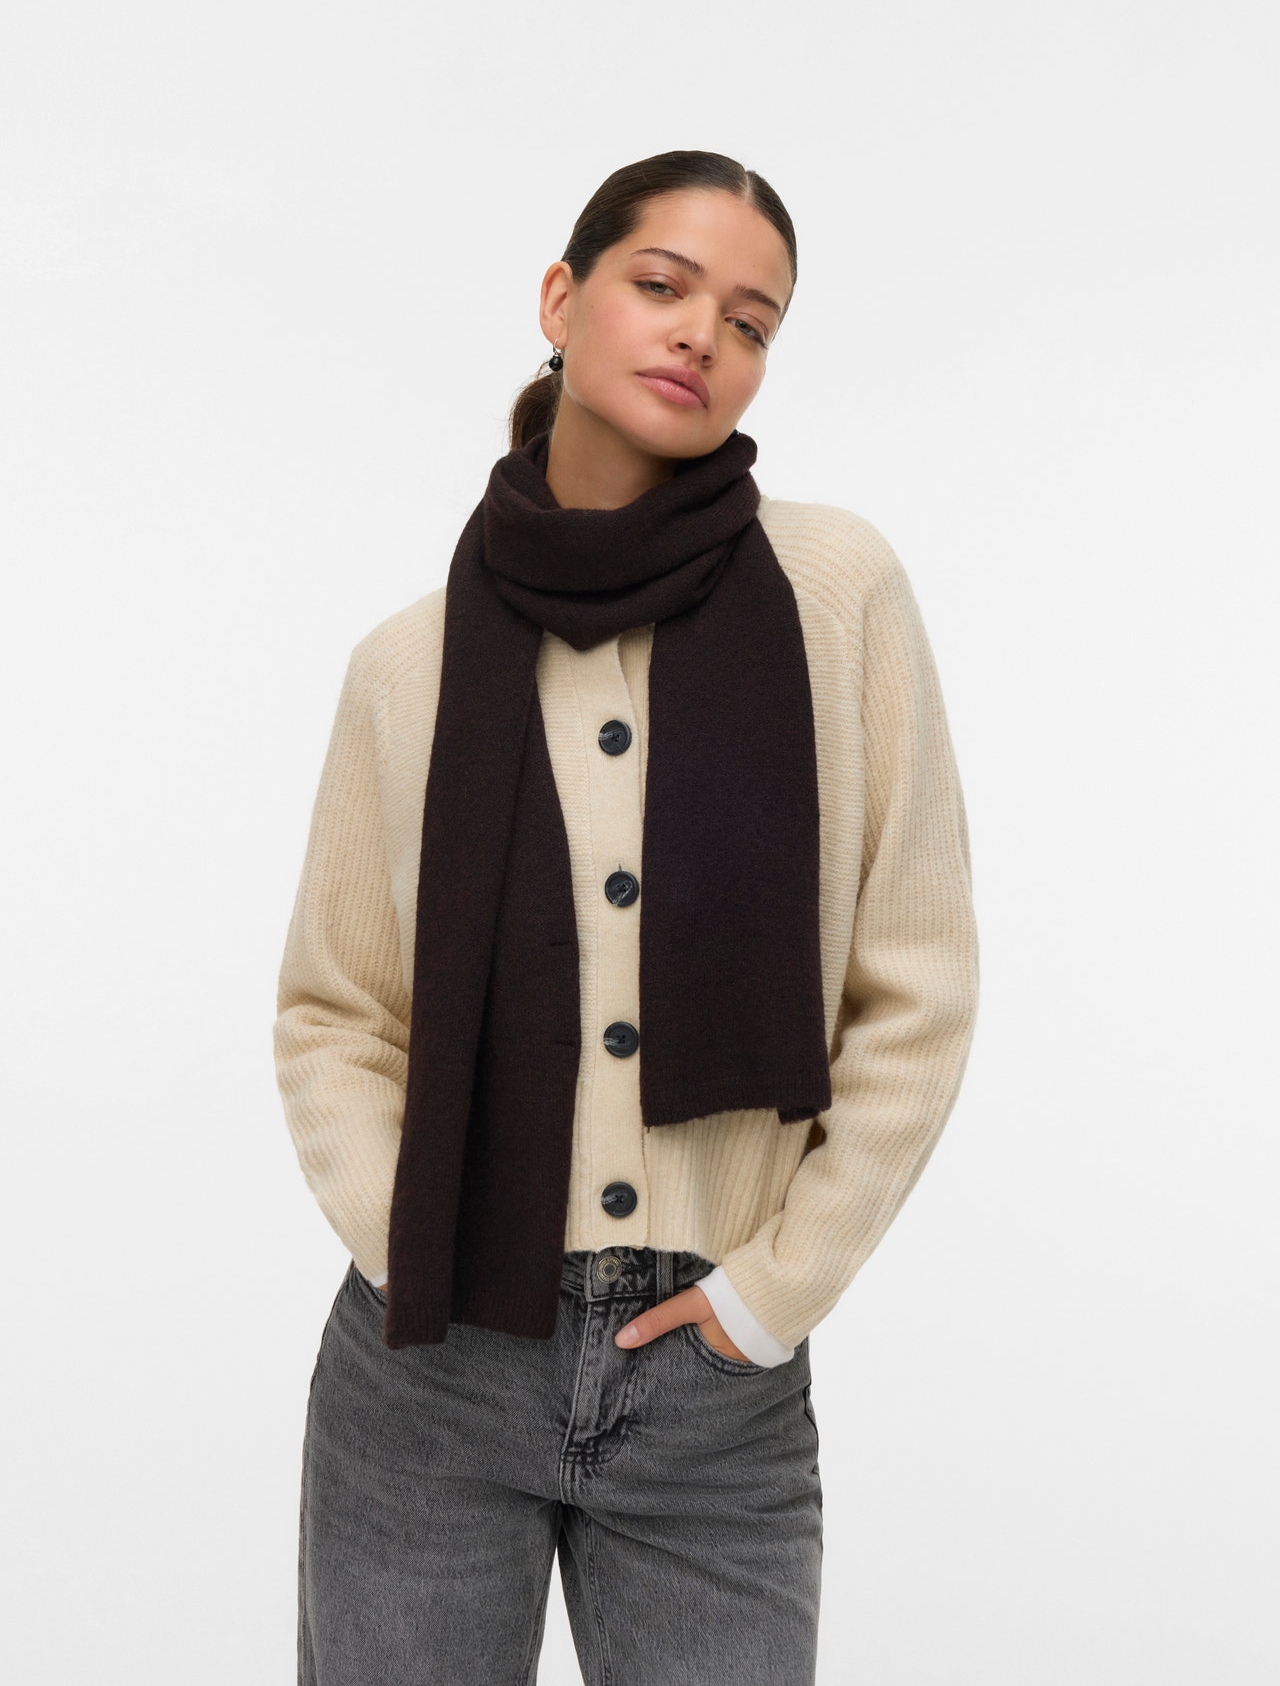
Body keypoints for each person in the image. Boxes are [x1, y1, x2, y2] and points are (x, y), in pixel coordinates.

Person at [273, 147, 980, 1686]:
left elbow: (916, 988)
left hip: (713, 1385)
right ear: (561, 298)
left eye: (752, 321)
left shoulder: (833, 592)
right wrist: (406, 1241)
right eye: (664, 285)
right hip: (432, 1372)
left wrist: (774, 1294)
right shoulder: (407, 667)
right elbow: (337, 1012)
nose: (702, 335)